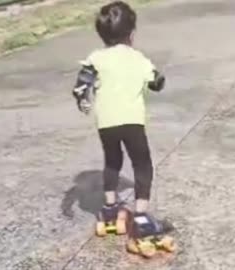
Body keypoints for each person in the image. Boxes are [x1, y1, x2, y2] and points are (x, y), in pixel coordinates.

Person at [71, 1, 166, 241]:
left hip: (106, 121)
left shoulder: (96, 57)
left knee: (112, 161)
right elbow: (157, 83)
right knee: (142, 164)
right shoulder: (138, 58)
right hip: (132, 121)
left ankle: (110, 209)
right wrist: (154, 75)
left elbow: (82, 83)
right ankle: (142, 217)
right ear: (132, 34)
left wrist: (83, 99)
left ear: (102, 34)